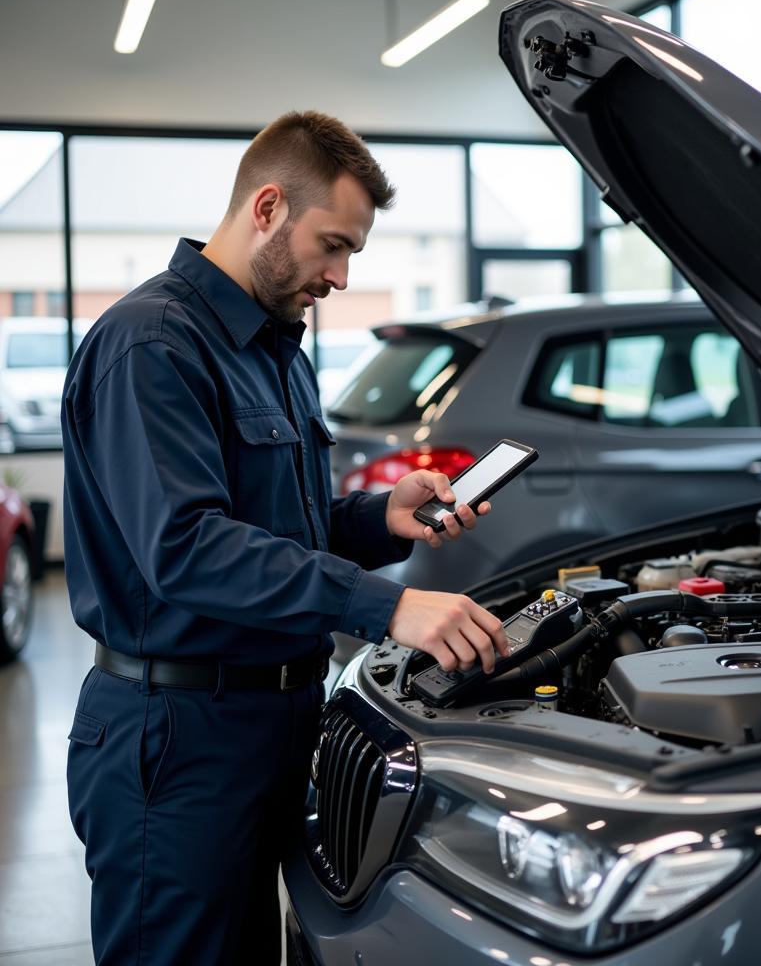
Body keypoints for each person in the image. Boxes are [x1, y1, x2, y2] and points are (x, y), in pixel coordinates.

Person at [61, 110, 509, 966]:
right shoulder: (151, 345)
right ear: (268, 207)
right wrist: (389, 608)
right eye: (332, 245)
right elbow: (187, 547)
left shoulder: (276, 349)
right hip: (179, 738)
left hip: (274, 723)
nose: (340, 276)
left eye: (353, 255)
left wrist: (380, 520)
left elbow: (277, 533)